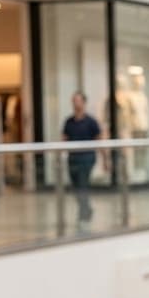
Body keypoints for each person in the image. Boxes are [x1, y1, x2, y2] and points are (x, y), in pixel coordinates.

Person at [62, 91, 103, 229]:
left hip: (87, 158)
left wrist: (106, 159)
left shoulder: (91, 122)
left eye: (78, 100)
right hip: (72, 158)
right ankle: (87, 209)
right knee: (76, 187)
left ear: (84, 103)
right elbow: (64, 139)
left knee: (82, 185)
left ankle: (83, 214)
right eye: (74, 101)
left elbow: (99, 140)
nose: (75, 103)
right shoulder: (69, 122)